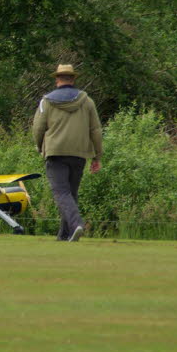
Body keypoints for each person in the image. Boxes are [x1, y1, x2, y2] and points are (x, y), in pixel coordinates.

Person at [31, 64, 102, 242]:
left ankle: (77, 224)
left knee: (61, 193)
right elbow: (96, 130)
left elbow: (38, 128)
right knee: (70, 193)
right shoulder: (87, 101)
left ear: (57, 79)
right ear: (73, 79)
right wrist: (97, 156)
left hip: (56, 152)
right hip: (79, 153)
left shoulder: (46, 101)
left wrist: (40, 146)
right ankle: (65, 235)